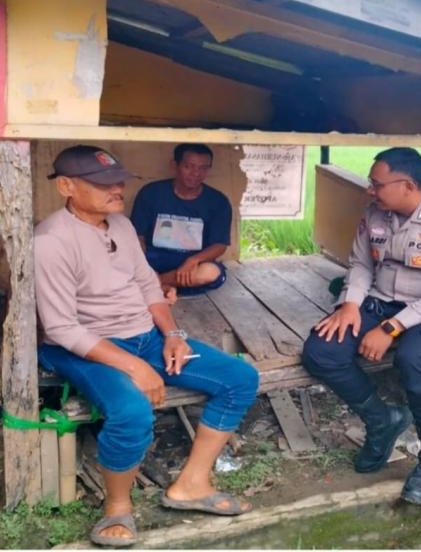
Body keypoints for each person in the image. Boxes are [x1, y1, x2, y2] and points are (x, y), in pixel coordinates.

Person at [34, 145, 259, 547]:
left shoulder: (119, 225)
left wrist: (173, 334)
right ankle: (117, 508)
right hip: (87, 347)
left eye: (118, 181)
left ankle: (191, 484)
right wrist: (136, 367)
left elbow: (147, 284)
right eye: (103, 183)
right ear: (66, 186)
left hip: (145, 336)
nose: (117, 189)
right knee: (132, 410)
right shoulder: (52, 240)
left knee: (240, 378)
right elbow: (62, 328)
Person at [302, 147, 421, 507]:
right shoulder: (375, 214)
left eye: (377, 184)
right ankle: (382, 419)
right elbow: (360, 265)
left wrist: (390, 328)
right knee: (321, 350)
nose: (370, 190)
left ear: (408, 185)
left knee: (415, 357)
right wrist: (351, 305)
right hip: (380, 299)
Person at [131, 143, 231, 296]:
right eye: (188, 166)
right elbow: (138, 235)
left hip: (190, 263)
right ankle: (163, 284)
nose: (195, 173)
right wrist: (143, 264)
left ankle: (156, 283)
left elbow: (220, 245)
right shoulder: (152, 192)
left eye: (203, 168)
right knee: (119, 265)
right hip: (153, 258)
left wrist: (192, 261)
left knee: (210, 272)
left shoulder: (218, 201)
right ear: (174, 165)